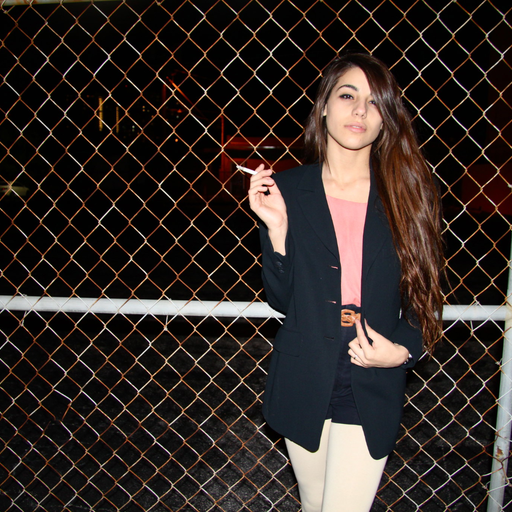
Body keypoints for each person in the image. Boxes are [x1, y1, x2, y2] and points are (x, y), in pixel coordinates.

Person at [248, 53, 444, 512]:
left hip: (371, 367)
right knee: (315, 503)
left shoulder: (408, 191)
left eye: (374, 102)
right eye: (347, 95)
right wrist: (277, 231)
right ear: (323, 107)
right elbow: (282, 299)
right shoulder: (288, 190)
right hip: (305, 370)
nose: (360, 110)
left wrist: (403, 350)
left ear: (385, 118)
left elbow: (425, 295)